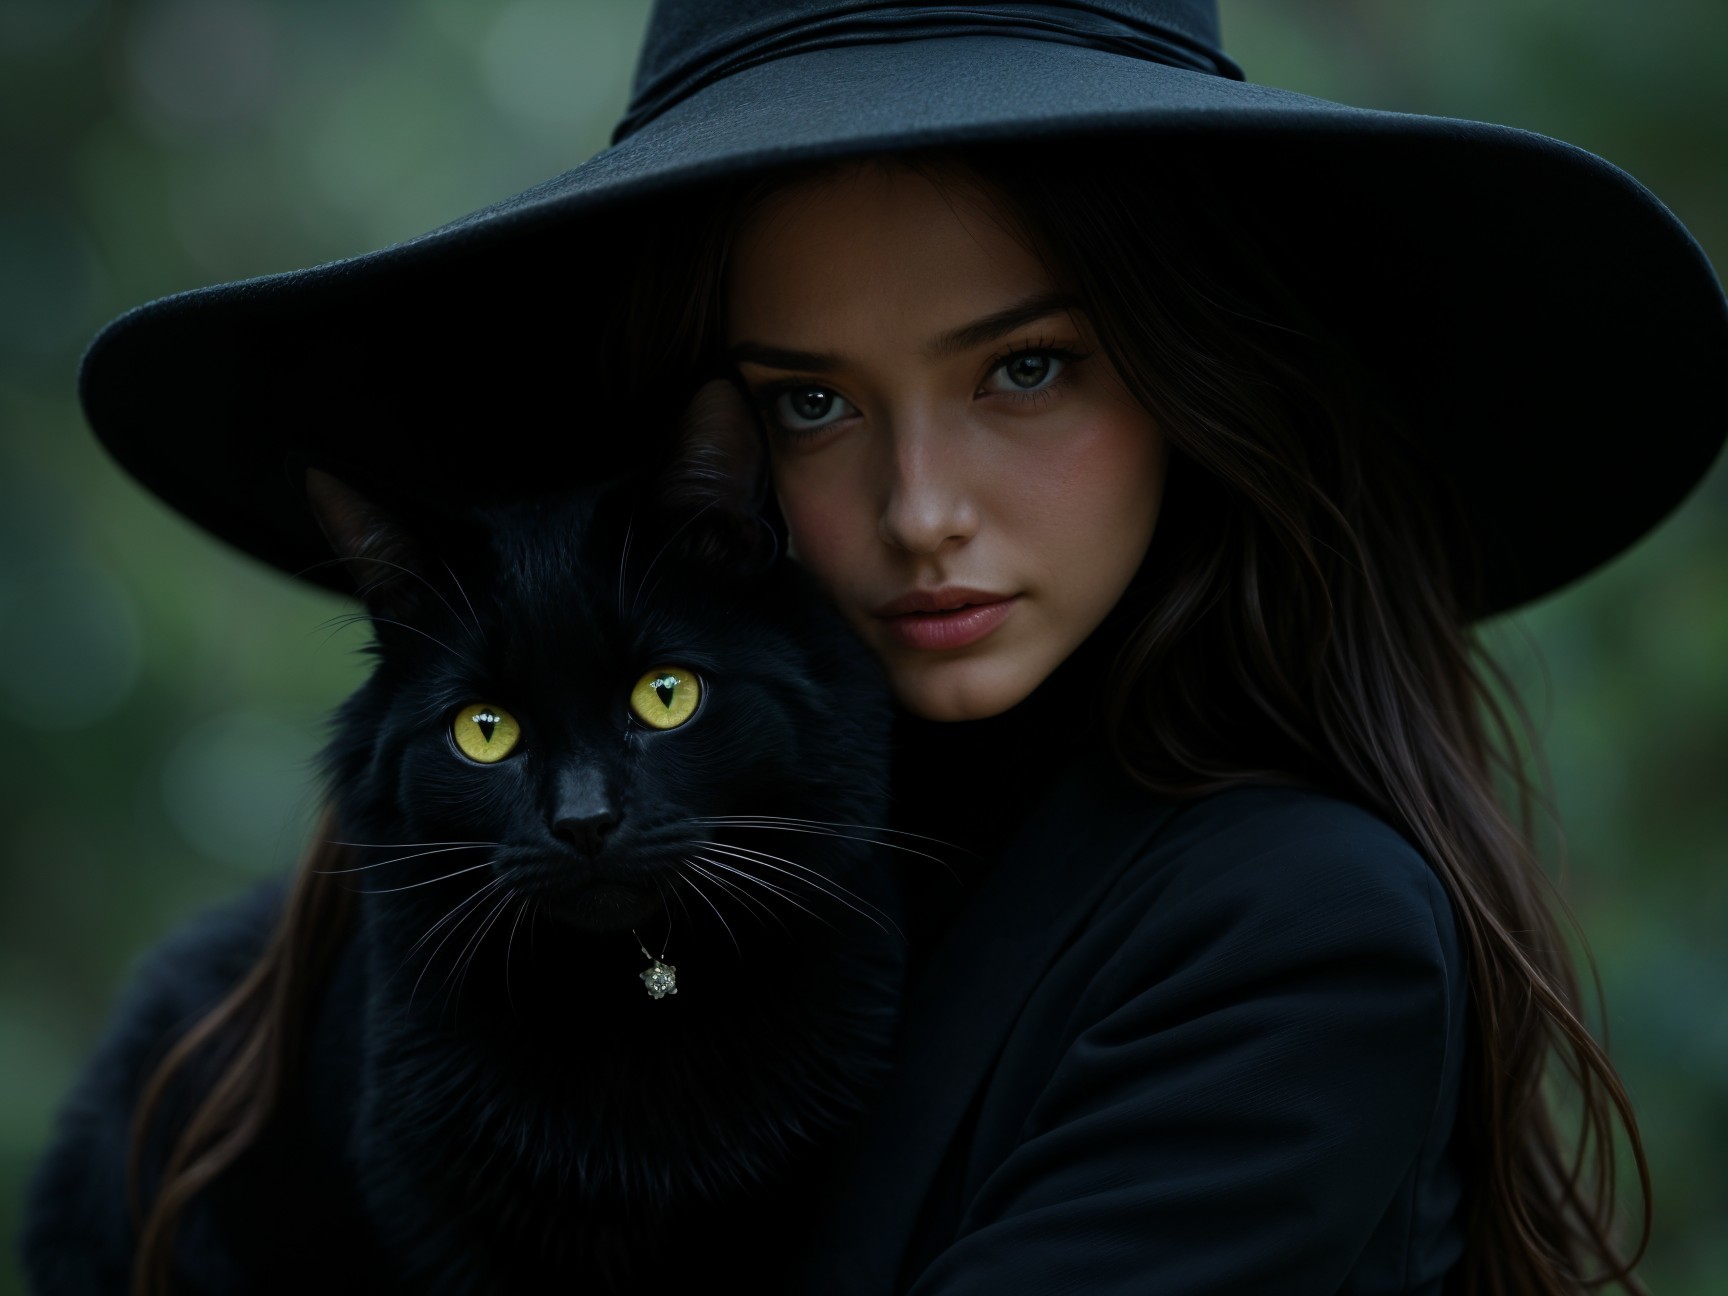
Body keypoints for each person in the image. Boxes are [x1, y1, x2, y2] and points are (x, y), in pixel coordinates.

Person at [49, 1, 1727, 1292]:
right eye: (810, 400)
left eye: (1025, 369)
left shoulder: (1292, 929)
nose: (922, 507)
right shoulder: (657, 884)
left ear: (1194, 378)